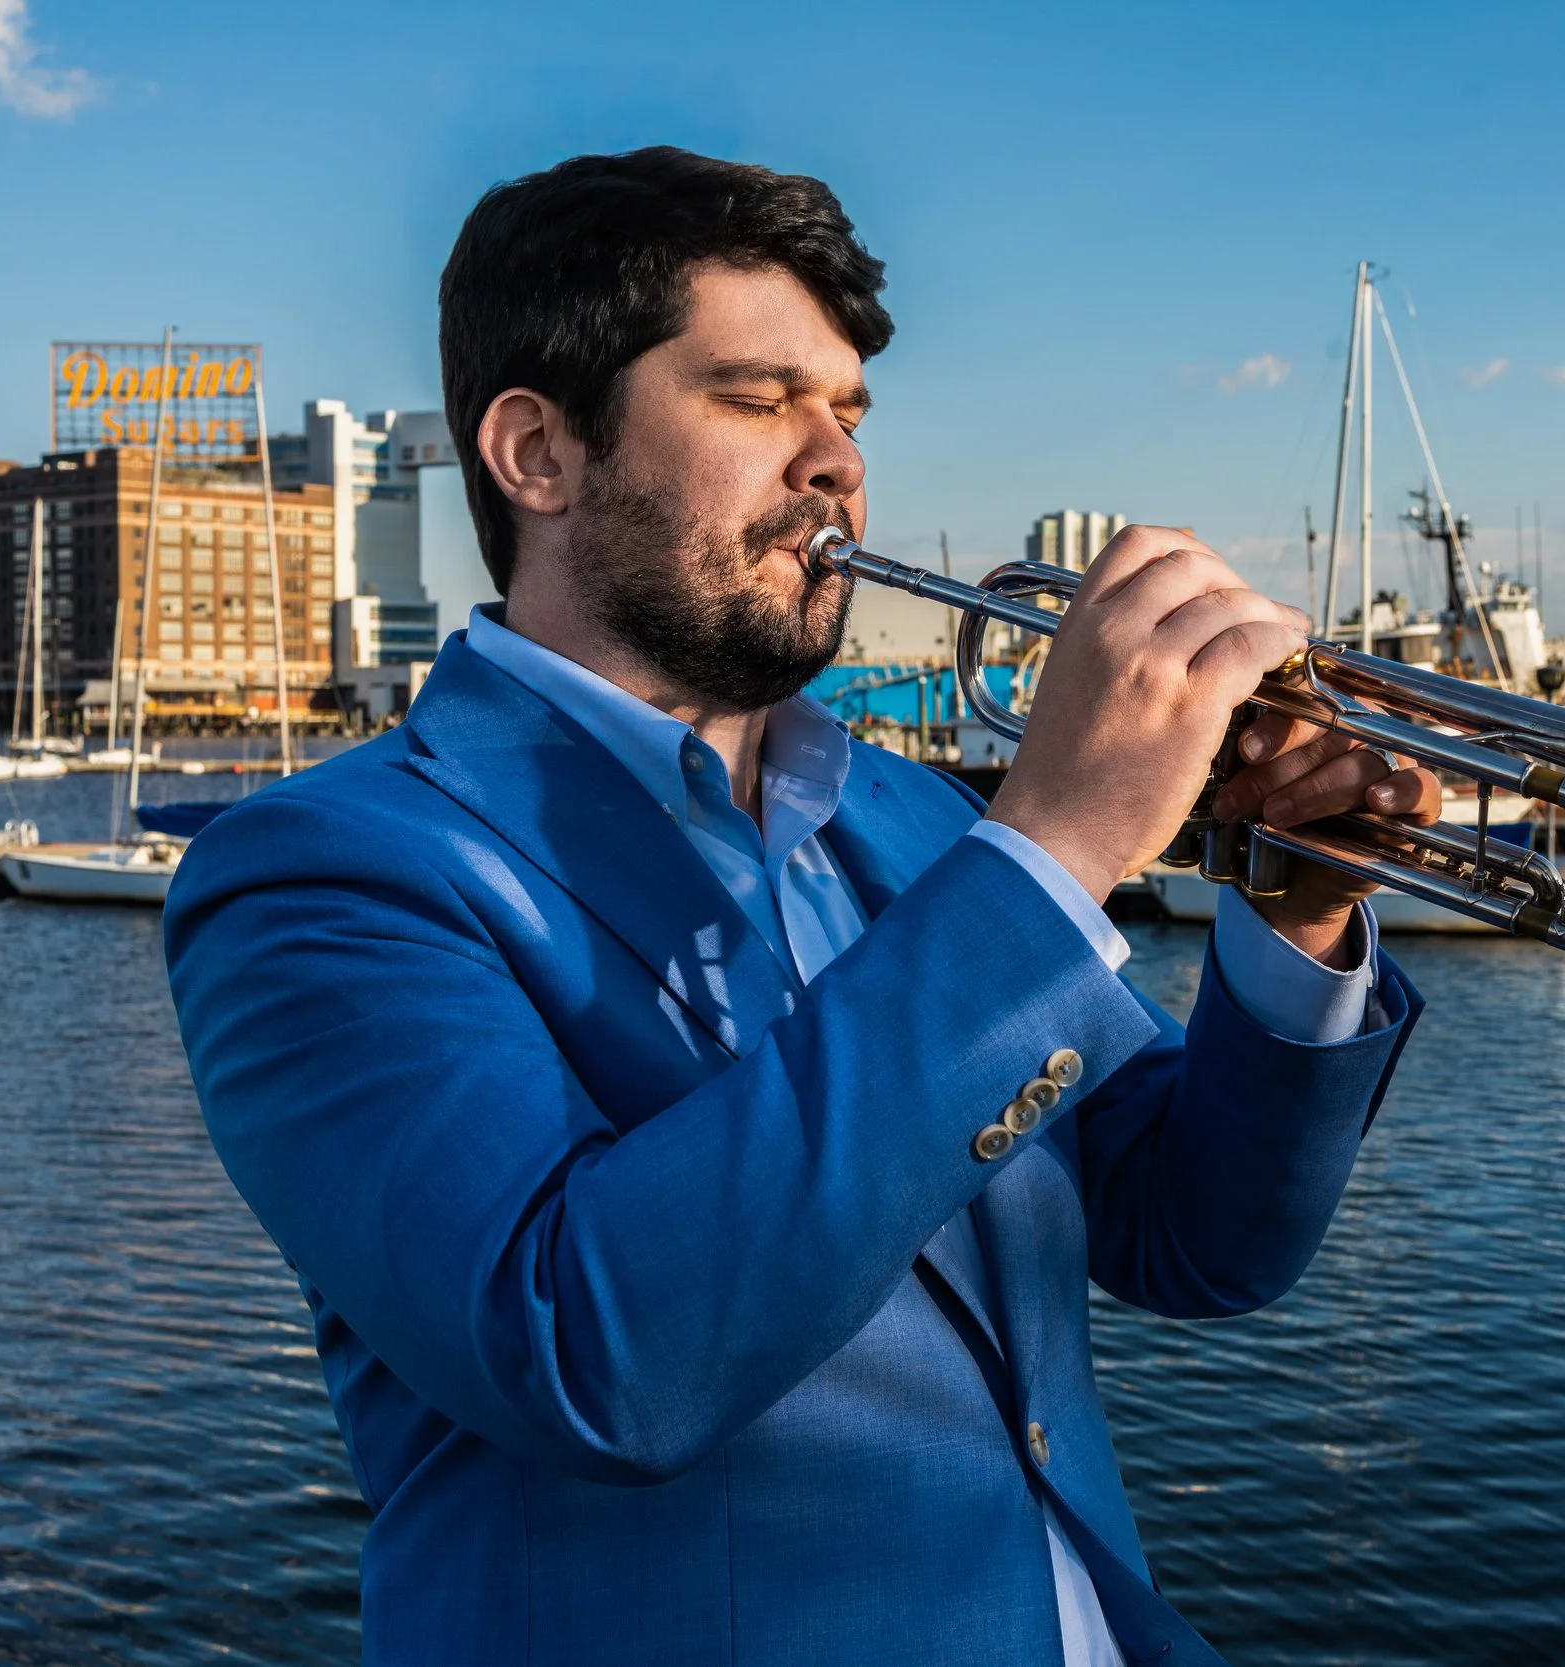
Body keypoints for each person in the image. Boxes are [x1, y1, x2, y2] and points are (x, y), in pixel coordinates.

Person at [166, 147, 1433, 1667]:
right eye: (760, 399)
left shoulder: (911, 815)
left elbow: (1196, 1236)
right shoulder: (326, 871)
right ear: (537, 452)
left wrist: (1295, 910)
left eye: (849, 411)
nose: (835, 459)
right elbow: (590, 1353)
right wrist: (1057, 843)